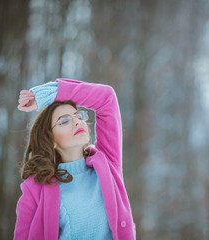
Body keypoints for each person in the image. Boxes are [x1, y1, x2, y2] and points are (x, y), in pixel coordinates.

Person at [14, 78, 136, 240]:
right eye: (64, 121)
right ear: (50, 141)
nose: (77, 121)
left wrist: (52, 93)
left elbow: (107, 98)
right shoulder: (34, 190)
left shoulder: (107, 163)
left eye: (78, 115)